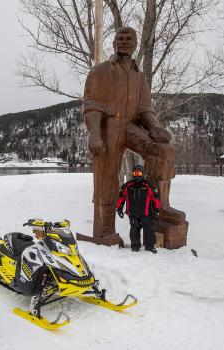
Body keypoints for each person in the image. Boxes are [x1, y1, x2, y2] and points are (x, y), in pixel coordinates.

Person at [82, 26, 184, 243]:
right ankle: (105, 231)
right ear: (114, 42)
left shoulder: (139, 76)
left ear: (136, 43)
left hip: (131, 126)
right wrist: (94, 134)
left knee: (163, 151)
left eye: (129, 38)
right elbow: (91, 106)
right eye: (120, 38)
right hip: (108, 127)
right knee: (108, 176)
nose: (124, 41)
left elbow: (145, 109)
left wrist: (154, 127)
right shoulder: (100, 71)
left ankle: (161, 207)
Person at [116, 164, 160, 254]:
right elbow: (121, 198)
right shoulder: (127, 186)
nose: (137, 175)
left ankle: (150, 246)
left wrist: (157, 210)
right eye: (135, 173)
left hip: (146, 213)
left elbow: (156, 198)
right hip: (132, 213)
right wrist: (119, 209)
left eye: (139, 173)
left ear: (143, 174)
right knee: (134, 230)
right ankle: (135, 246)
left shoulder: (149, 185)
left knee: (149, 230)